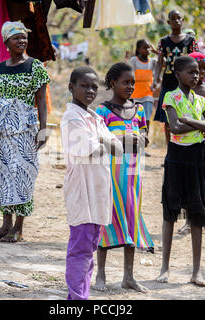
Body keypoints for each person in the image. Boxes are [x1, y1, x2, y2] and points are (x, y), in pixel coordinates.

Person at [0, 21, 49, 242]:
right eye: (16, 37)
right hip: (4, 132)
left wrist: (43, 129)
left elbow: (41, 101)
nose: (22, 41)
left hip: (25, 131)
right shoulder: (0, 68)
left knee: (24, 174)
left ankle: (18, 226)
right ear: (6, 41)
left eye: (23, 37)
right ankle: (5, 224)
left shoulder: (35, 66)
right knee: (5, 176)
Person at [61, 66, 123, 300]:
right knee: (81, 250)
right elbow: (92, 149)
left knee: (89, 250)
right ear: (71, 87)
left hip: (96, 192)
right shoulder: (71, 118)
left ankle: (78, 296)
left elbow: (117, 147)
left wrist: (103, 141)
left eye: (94, 86)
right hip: (82, 191)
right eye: (84, 85)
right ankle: (77, 298)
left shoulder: (94, 117)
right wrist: (103, 141)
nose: (90, 90)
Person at [156, 56, 205, 287]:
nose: (196, 76)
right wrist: (196, 125)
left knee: (197, 213)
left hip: (197, 158)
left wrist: (189, 121)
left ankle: (196, 271)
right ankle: (164, 267)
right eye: (191, 72)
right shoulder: (171, 97)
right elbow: (175, 128)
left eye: (198, 73)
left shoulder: (202, 100)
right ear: (177, 73)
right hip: (177, 157)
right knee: (170, 211)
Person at [94, 63, 155, 293]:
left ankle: (128, 276)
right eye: (125, 82)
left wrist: (143, 140)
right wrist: (124, 142)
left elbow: (143, 135)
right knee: (106, 220)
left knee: (132, 220)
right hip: (111, 174)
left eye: (132, 83)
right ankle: (100, 275)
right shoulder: (103, 111)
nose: (130, 86)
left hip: (133, 175)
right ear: (113, 83)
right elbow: (99, 141)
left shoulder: (138, 109)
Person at [177, 52, 205, 236]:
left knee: (199, 182)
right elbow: (175, 122)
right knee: (187, 182)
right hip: (184, 144)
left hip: (203, 141)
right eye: (196, 69)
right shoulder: (180, 93)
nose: (199, 73)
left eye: (203, 69)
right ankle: (188, 219)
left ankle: (199, 216)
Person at [153, 10, 198, 149]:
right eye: (173, 19)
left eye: (179, 18)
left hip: (186, 82)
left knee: (186, 113)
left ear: (183, 20)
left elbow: (195, 59)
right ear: (168, 22)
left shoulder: (190, 41)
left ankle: (187, 146)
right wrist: (156, 78)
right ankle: (170, 150)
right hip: (168, 81)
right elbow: (159, 61)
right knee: (168, 117)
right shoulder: (163, 41)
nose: (176, 21)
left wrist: (197, 78)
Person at [129, 39, 156, 133]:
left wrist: (157, 52)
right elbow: (129, 75)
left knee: (147, 119)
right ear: (139, 49)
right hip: (135, 96)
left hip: (148, 95)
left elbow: (164, 63)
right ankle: (135, 139)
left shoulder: (153, 61)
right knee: (134, 119)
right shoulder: (134, 61)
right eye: (145, 48)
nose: (148, 49)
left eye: (149, 47)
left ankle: (144, 138)